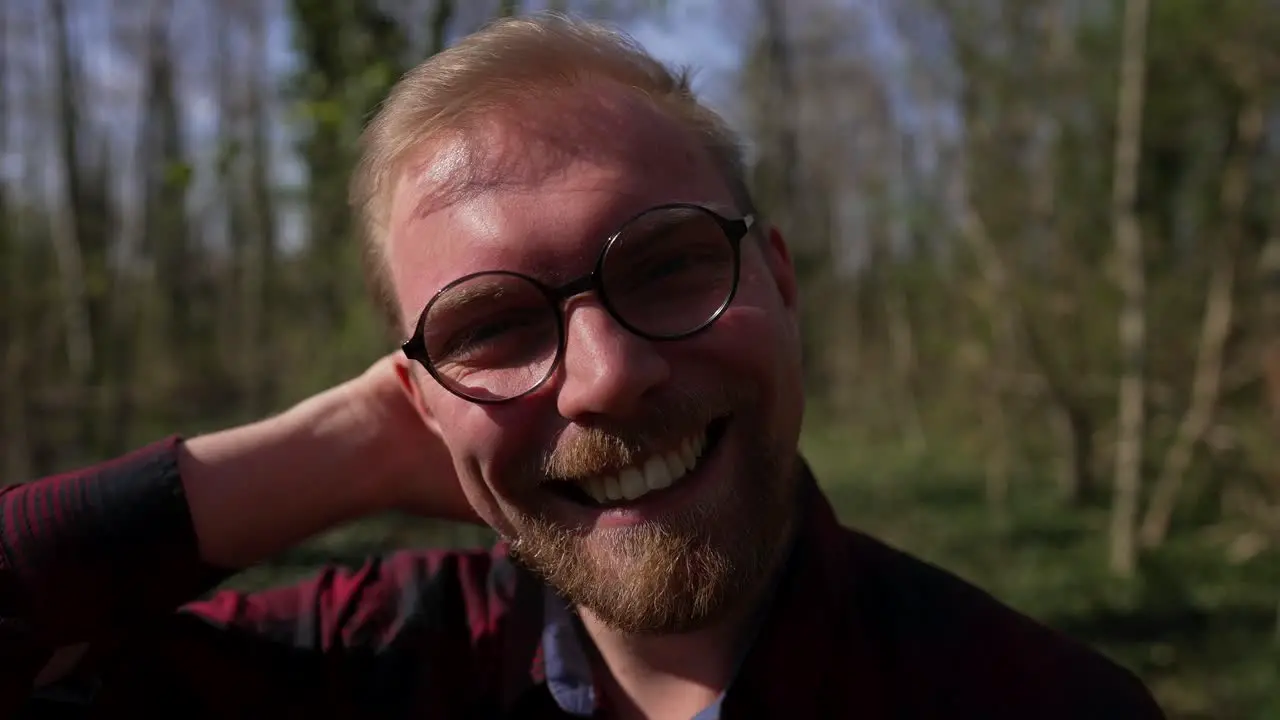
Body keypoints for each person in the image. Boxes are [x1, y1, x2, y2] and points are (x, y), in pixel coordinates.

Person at [2, 14, 1163, 720]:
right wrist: (332, 459)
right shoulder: (358, 675)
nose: (605, 379)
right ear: (412, 396)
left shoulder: (1041, 713)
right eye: (489, 327)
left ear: (782, 282)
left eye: (664, 267)